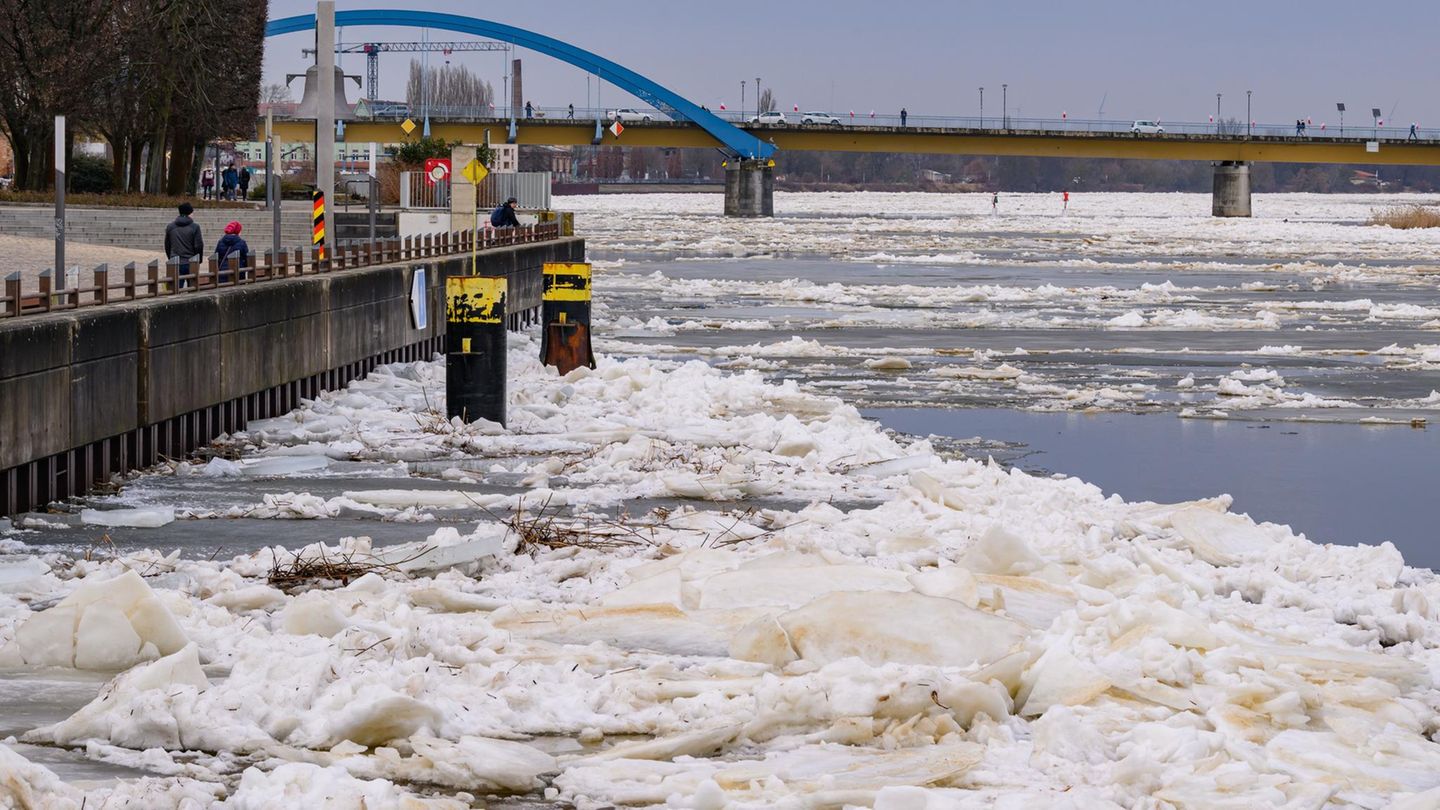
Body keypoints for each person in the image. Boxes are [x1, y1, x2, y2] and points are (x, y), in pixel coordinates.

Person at [164, 202, 203, 288]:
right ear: (189, 213)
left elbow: (167, 245)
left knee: (175, 289)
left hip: (175, 261)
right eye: (192, 212)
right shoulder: (195, 227)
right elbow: (198, 246)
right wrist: (198, 260)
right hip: (191, 261)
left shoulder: (170, 227)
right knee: (192, 289)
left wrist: (171, 257)